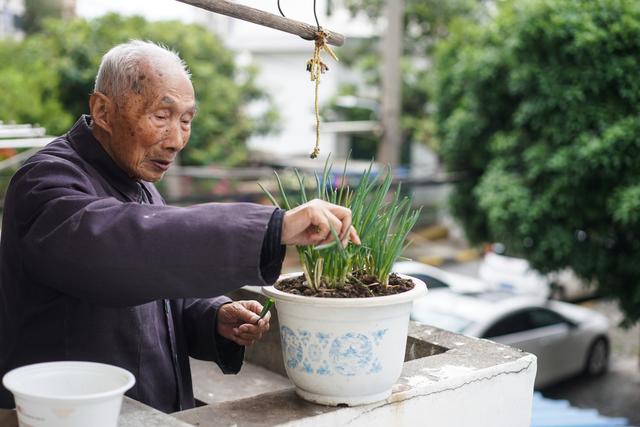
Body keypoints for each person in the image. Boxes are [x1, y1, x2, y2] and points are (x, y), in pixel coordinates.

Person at [0, 40, 360, 413]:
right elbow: (123, 250)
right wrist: (274, 227)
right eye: (161, 116)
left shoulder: (142, 188)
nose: (176, 141)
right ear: (103, 110)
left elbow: (157, 294)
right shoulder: (44, 183)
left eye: (186, 121)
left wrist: (213, 317)